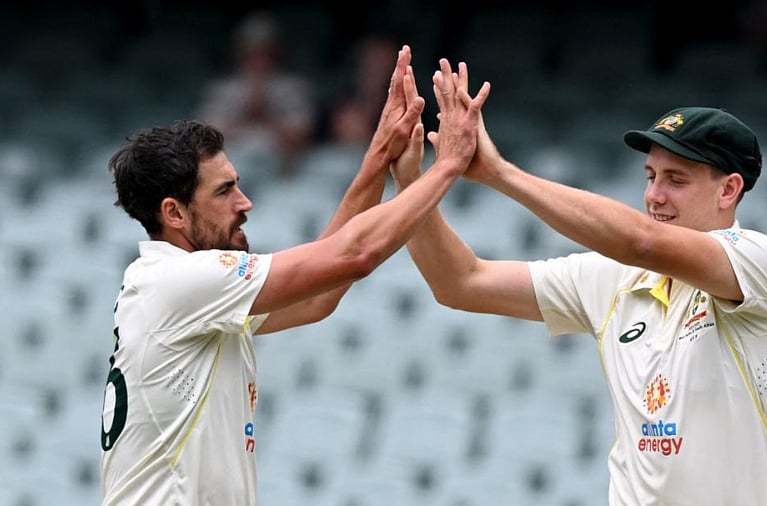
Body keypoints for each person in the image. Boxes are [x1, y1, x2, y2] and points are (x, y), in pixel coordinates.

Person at [390, 59, 767, 506]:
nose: (654, 196)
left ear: (728, 190)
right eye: (651, 176)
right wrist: (411, 181)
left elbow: (641, 242)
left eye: (675, 180)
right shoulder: (613, 278)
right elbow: (460, 283)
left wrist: (498, 173)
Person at [98, 46, 491, 505]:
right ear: (174, 213)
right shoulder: (182, 281)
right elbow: (355, 254)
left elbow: (313, 300)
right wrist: (448, 166)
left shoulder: (181, 292)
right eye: (224, 192)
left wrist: (378, 157)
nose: (244, 203)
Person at [195, 10, 317, 183]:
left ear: (277, 53)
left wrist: (265, 114)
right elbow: (207, 141)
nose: (259, 61)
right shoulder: (221, 90)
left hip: (281, 173)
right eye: (252, 53)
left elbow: (298, 139)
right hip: (232, 169)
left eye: (266, 53)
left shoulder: (294, 88)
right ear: (240, 53)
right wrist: (245, 116)